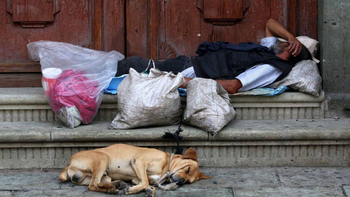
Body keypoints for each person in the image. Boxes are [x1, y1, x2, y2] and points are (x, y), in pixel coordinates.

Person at [180, 18, 312, 94]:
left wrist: (183, 82)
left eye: (286, 43)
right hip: (192, 63)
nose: (282, 41)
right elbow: (270, 24)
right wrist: (291, 37)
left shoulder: (272, 68)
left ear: (290, 50)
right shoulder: (269, 52)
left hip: (192, 73)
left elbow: (233, 86)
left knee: (159, 76)